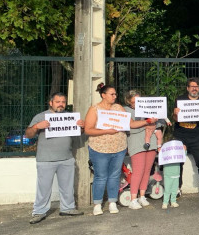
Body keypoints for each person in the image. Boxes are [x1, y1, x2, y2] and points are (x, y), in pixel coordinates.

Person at [25, 92, 85, 224]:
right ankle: (39, 212)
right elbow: (28, 134)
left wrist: (81, 127)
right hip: (45, 159)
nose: (61, 104)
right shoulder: (40, 116)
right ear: (50, 103)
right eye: (58, 102)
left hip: (66, 158)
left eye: (63, 102)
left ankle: (68, 208)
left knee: (67, 186)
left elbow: (78, 133)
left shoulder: (70, 117)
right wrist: (36, 126)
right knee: (43, 188)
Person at [84, 83, 128, 215]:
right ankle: (97, 204)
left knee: (114, 176)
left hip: (119, 148)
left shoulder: (119, 107)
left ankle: (112, 202)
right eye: (112, 94)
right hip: (100, 149)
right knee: (101, 176)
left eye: (115, 94)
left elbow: (128, 123)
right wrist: (107, 131)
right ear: (103, 95)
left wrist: (146, 121)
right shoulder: (94, 109)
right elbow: (88, 129)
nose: (115, 96)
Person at [125, 90, 167, 210]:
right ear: (128, 101)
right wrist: (147, 122)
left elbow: (158, 123)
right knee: (138, 170)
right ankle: (133, 199)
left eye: (139, 101)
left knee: (147, 170)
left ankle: (142, 196)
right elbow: (131, 125)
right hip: (136, 142)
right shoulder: (126, 110)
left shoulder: (148, 108)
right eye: (134, 101)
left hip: (152, 141)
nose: (137, 104)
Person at [172, 77, 199, 199]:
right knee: (178, 162)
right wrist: (175, 113)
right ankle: (177, 188)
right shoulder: (180, 100)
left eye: (197, 87)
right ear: (187, 88)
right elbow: (175, 119)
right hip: (181, 135)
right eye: (192, 86)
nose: (194, 89)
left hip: (197, 135)